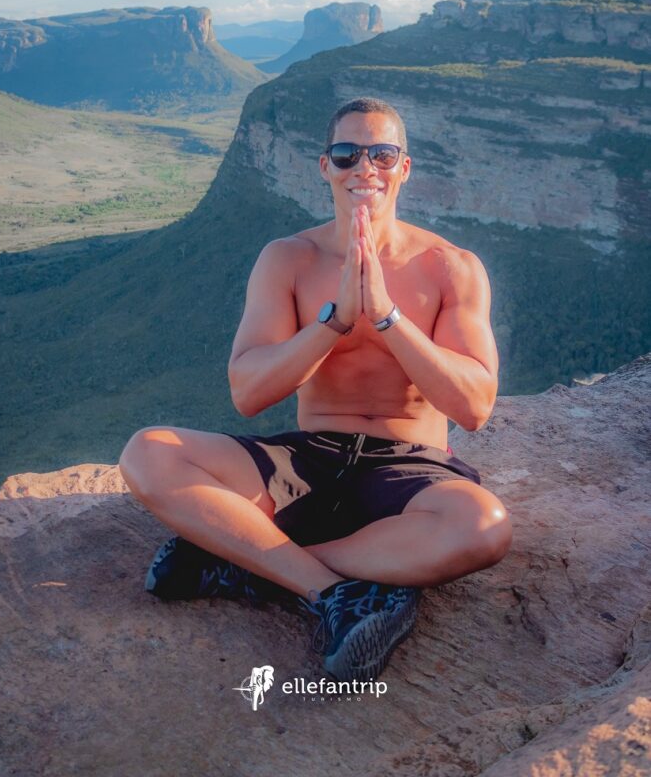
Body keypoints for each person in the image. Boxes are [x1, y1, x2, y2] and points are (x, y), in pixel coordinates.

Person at [119, 96, 512, 681]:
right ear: (325, 165)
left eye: (382, 154)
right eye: (348, 153)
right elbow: (248, 392)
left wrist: (386, 318)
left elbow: (474, 406)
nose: (365, 168)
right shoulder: (288, 259)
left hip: (411, 469)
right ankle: (331, 591)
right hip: (308, 458)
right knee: (148, 452)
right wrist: (333, 321)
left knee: (485, 527)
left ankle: (248, 563)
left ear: (404, 167)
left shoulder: (451, 267)